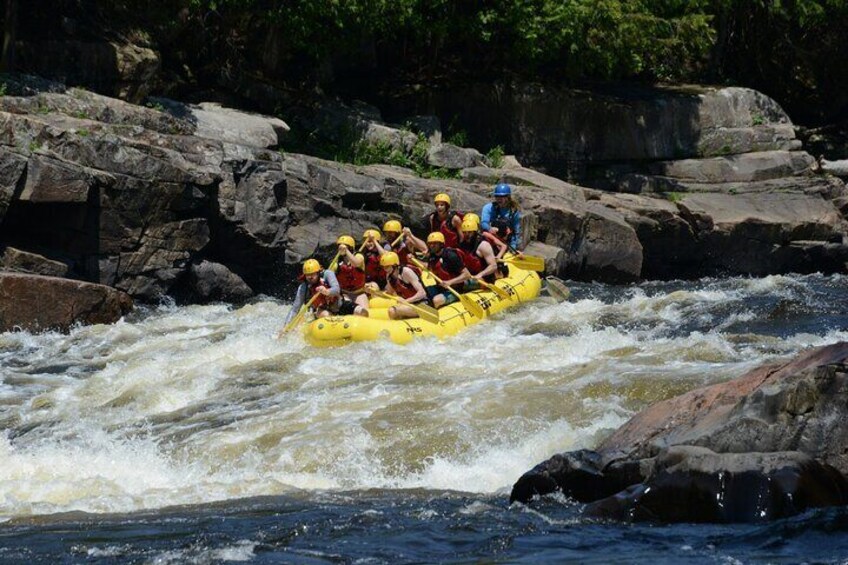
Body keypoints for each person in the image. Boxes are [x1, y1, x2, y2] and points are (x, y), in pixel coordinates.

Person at [283, 258, 367, 326]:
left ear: (318, 272)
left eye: (313, 274)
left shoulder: (327, 274)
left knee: (362, 312)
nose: (310, 277)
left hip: (339, 305)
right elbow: (295, 309)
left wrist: (326, 291)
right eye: (308, 275)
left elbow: (336, 289)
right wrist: (286, 326)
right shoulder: (303, 287)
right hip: (321, 310)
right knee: (326, 315)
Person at [422, 231, 472, 308]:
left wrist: (450, 282)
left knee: (436, 300)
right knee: (423, 293)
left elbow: (467, 274)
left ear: (441, 244)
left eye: (435, 243)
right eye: (430, 244)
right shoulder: (432, 256)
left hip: (455, 289)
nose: (432, 246)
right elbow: (429, 267)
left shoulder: (451, 256)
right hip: (440, 287)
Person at [380, 251, 427, 320]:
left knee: (392, 310)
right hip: (409, 304)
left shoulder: (406, 272)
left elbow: (422, 293)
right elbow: (389, 293)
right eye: (384, 267)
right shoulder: (389, 276)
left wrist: (406, 301)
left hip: (422, 304)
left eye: (387, 267)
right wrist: (373, 292)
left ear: (394, 265)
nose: (385, 269)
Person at [457, 216, 502, 284]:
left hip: (484, 278)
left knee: (463, 283)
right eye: (465, 232)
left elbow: (493, 266)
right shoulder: (463, 245)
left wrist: (480, 275)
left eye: (469, 232)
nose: (467, 235)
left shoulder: (483, 245)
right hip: (470, 275)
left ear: (474, 232)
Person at [333, 235, 369, 316]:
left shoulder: (359, 256)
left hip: (359, 293)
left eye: (345, 247)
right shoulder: (337, 262)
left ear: (351, 248)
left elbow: (356, 263)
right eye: (340, 247)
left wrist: (346, 251)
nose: (341, 249)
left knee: (364, 313)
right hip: (345, 294)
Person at [481, 183, 521, 249]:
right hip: (492, 238)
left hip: (506, 239)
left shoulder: (513, 211)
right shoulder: (488, 208)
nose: (499, 199)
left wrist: (513, 246)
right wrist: (489, 229)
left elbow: (516, 230)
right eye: (497, 196)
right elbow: (484, 223)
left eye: (502, 196)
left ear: (508, 197)